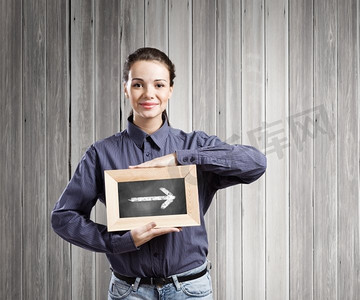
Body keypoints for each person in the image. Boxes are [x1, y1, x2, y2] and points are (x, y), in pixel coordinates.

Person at [51, 47, 267, 300]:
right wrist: (120, 241)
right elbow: (64, 218)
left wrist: (181, 157)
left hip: (190, 289)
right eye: (138, 84)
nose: (149, 94)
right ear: (126, 88)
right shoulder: (101, 153)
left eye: (159, 85)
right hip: (129, 291)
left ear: (170, 91)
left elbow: (255, 162)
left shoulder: (194, 144)